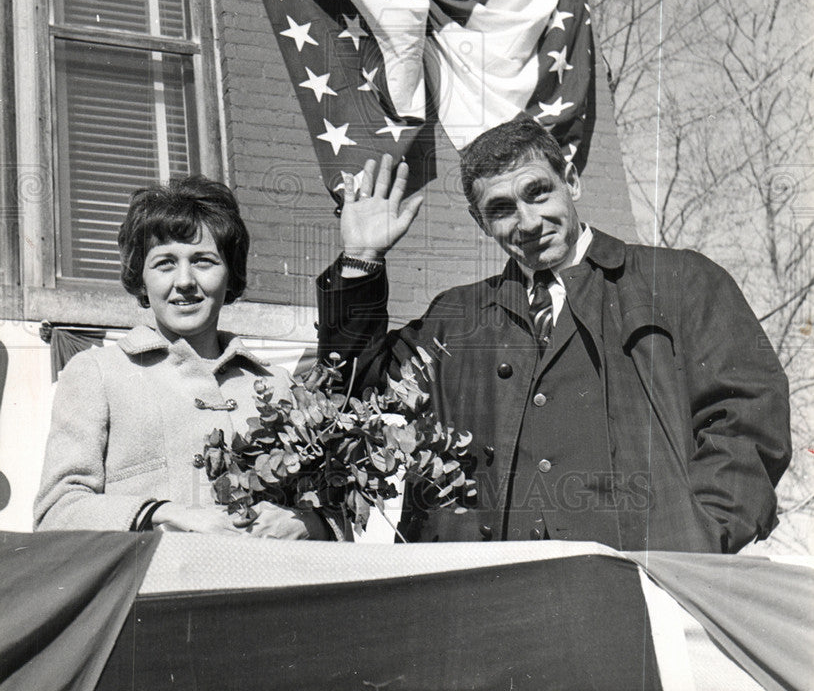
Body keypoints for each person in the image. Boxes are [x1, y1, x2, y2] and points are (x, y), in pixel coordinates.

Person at [317, 118, 791, 552]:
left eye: (538, 193)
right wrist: (361, 259)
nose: (526, 223)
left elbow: (748, 420)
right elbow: (351, 395)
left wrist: (699, 534)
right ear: (480, 222)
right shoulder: (455, 317)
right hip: (481, 598)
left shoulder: (679, 282)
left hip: (640, 588)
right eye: (500, 209)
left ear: (572, 182)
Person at [35, 176, 336, 539]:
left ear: (231, 274)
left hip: (266, 589)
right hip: (152, 589)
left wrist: (304, 524)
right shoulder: (97, 373)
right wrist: (163, 514)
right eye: (164, 263)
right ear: (141, 278)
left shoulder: (279, 385)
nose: (185, 281)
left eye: (204, 261)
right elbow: (56, 513)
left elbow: (335, 519)